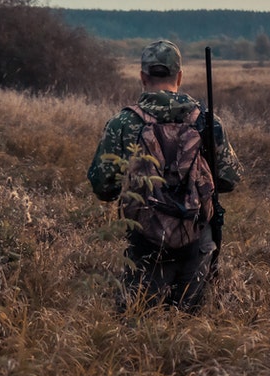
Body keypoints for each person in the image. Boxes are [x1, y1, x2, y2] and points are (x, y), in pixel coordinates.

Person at [88, 40, 243, 314]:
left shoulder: (123, 123)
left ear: (143, 76)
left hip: (145, 245)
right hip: (197, 243)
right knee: (188, 332)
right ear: (179, 77)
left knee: (136, 327)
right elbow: (229, 179)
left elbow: (103, 187)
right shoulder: (206, 121)